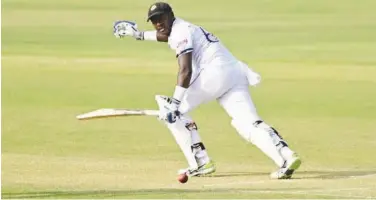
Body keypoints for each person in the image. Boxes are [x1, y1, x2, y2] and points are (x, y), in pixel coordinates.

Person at [113, 2, 302, 179]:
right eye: (154, 21)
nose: (158, 23)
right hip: (234, 72)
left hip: (215, 74)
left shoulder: (181, 32)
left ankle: (200, 162)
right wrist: (138, 35)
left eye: (161, 18)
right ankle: (285, 156)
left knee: (169, 109)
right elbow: (166, 36)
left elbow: (186, 71)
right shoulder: (181, 28)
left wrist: (176, 104)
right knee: (247, 123)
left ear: (171, 15)